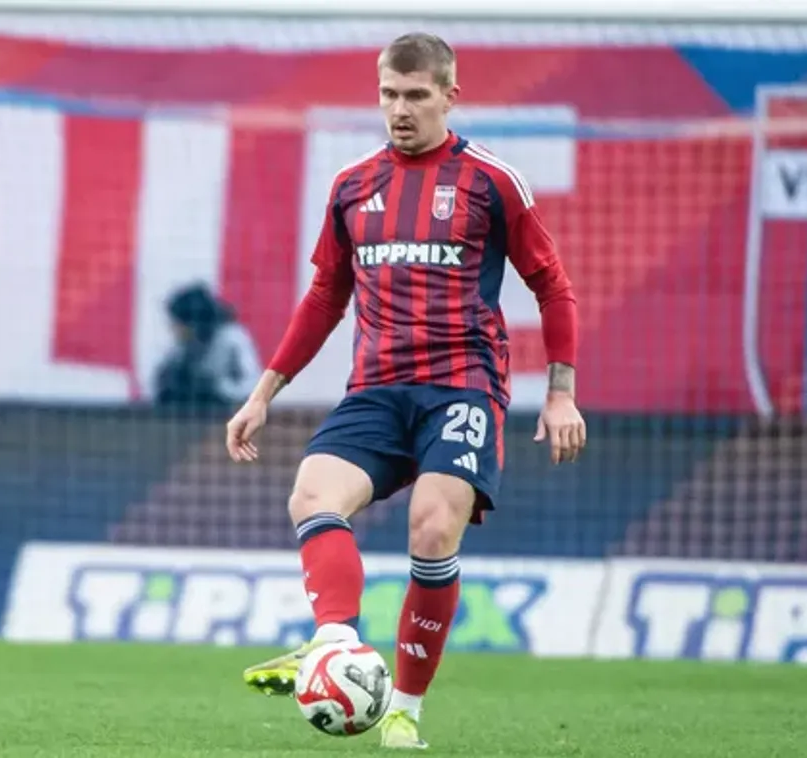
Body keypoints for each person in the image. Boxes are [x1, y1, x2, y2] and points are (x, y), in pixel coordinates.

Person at [224, 32, 585, 749]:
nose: (399, 110)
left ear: (450, 96)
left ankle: (403, 711)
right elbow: (325, 296)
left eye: (416, 95)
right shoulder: (353, 186)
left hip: (461, 388)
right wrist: (263, 392)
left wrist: (560, 392)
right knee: (311, 495)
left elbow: (552, 285)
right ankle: (334, 643)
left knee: (431, 526)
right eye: (389, 94)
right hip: (377, 390)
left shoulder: (491, 182)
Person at [152, 282, 259, 412]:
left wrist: (217, 387)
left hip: (227, 410)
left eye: (178, 324)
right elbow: (159, 385)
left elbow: (252, 387)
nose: (174, 329)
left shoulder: (232, 338)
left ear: (193, 323)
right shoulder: (181, 347)